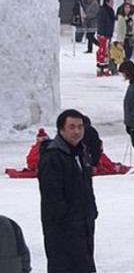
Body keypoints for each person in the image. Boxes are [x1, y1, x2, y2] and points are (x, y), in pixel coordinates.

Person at [39, 109, 98, 273]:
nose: (77, 131)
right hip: (63, 230)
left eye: (80, 127)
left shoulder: (81, 153)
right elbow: (52, 196)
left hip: (83, 227)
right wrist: (66, 217)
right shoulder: (53, 157)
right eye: (72, 127)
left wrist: (91, 211)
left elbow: (86, 187)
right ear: (61, 129)